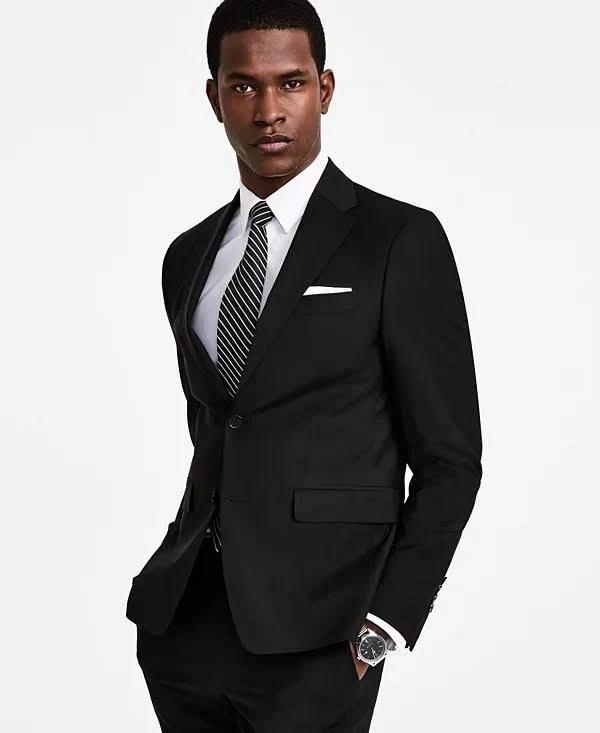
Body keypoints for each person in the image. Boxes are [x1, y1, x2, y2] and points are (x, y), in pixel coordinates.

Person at [126, 1, 483, 730]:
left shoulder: (398, 240)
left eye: (290, 83)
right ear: (214, 97)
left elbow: (450, 461)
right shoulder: (187, 256)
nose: (268, 111)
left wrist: (385, 623)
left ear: (324, 88)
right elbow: (221, 428)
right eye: (244, 86)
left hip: (323, 636)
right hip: (185, 627)